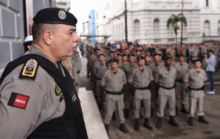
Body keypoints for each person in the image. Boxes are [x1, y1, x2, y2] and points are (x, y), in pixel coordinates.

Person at [0, 8, 88, 139]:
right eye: (71, 32)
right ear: (48, 37)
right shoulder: (29, 81)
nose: (77, 38)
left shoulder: (56, 64)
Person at [101, 59, 129, 134]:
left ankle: (122, 125)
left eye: (116, 64)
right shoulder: (106, 73)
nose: (114, 66)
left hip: (120, 95)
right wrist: (110, 88)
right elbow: (103, 84)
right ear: (110, 65)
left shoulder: (121, 72)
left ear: (118, 64)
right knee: (109, 111)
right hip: (110, 95)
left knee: (120, 111)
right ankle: (106, 126)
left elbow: (124, 82)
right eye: (113, 64)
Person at [128, 56, 154, 131]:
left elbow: (151, 78)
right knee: (136, 107)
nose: (142, 62)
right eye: (140, 61)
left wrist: (145, 83)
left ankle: (147, 122)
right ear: (137, 62)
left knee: (147, 107)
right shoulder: (134, 70)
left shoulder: (148, 70)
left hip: (146, 91)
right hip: (137, 91)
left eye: (143, 61)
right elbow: (130, 80)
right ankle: (137, 123)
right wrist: (137, 84)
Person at [155, 57, 179, 129]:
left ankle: (172, 119)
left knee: (172, 105)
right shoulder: (160, 70)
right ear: (164, 61)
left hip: (172, 90)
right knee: (161, 106)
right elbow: (156, 81)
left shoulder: (174, 70)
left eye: (170, 60)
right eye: (167, 60)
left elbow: (174, 78)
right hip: (163, 89)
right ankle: (159, 120)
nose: (169, 61)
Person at [184, 60, 209, 126]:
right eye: (197, 63)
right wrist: (189, 85)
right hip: (193, 91)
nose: (199, 64)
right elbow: (185, 79)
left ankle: (201, 117)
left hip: (201, 91)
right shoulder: (190, 71)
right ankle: (191, 118)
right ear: (193, 65)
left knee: (200, 105)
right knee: (192, 105)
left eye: (199, 63)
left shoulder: (203, 71)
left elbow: (205, 79)